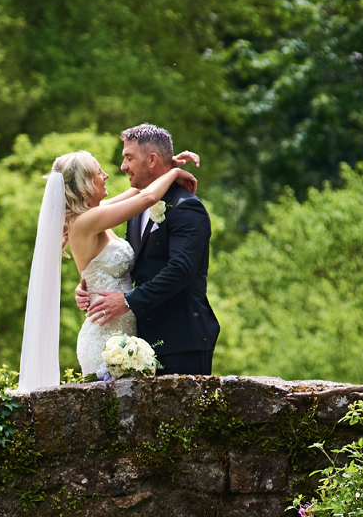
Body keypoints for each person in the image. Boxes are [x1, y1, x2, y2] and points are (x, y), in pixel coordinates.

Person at [17, 143, 198, 390]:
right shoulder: (86, 222)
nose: (106, 176)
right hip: (104, 337)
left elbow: (137, 192)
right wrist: (175, 174)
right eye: (99, 172)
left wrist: (166, 166)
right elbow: (147, 197)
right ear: (85, 183)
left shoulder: (94, 213)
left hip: (122, 329)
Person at [79, 124, 219, 376]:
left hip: (181, 340)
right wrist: (90, 285)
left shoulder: (186, 206)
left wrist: (128, 300)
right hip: (140, 342)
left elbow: (181, 270)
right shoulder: (137, 205)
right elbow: (133, 262)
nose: (123, 166)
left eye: (129, 157)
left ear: (152, 160)